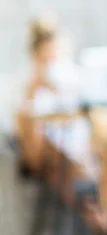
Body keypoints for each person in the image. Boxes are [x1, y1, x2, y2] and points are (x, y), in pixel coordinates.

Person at [14, 18, 80, 175]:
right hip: (43, 151)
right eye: (47, 53)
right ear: (36, 54)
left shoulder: (66, 77)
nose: (52, 57)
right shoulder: (28, 84)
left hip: (68, 143)